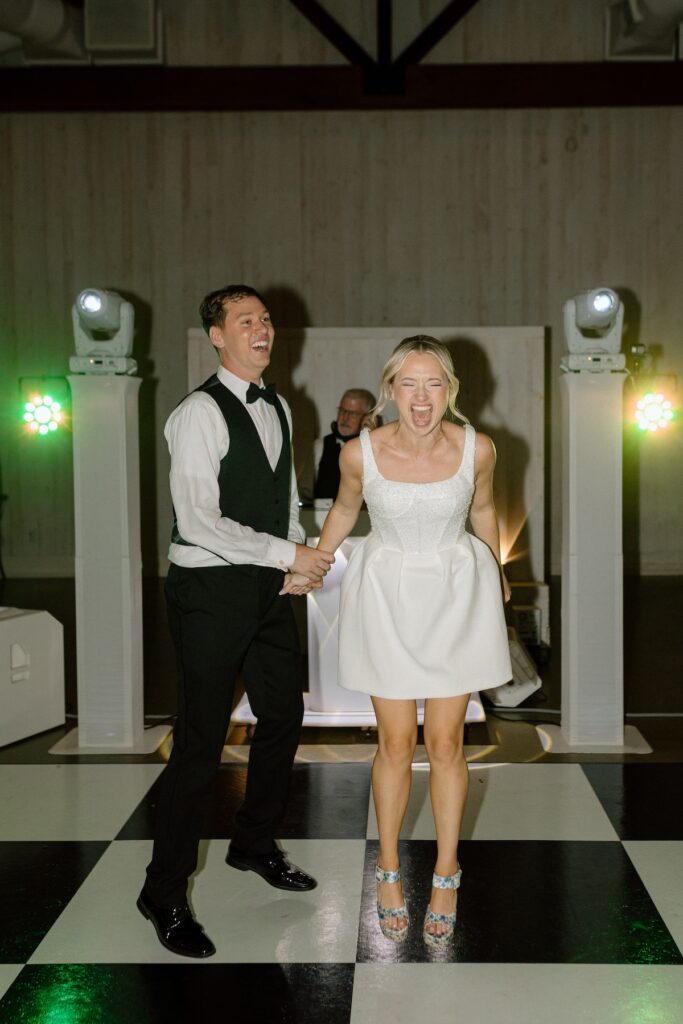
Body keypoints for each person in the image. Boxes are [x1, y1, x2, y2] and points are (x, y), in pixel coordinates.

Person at [138, 284, 334, 958]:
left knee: (280, 715)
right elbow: (198, 521)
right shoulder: (197, 413)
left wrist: (294, 558)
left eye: (267, 319)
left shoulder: (279, 402)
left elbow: (279, 504)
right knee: (199, 742)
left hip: (266, 586)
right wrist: (290, 552)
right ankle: (161, 892)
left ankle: (252, 844)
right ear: (216, 336)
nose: (262, 329)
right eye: (245, 320)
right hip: (208, 592)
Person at [299, 335, 511, 947]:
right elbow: (343, 510)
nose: (422, 399)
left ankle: (447, 871)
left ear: (450, 390)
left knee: (446, 743)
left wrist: (496, 568)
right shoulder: (360, 452)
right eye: (409, 385)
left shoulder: (480, 449)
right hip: (386, 592)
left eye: (434, 384)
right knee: (395, 743)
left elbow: (485, 511)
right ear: (390, 390)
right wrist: (315, 560)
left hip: (453, 591)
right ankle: (388, 870)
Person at [313, 388, 376, 500]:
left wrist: (372, 440)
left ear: (367, 417)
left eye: (352, 414)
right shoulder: (320, 446)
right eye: (342, 411)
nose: (344, 418)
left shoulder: (376, 448)